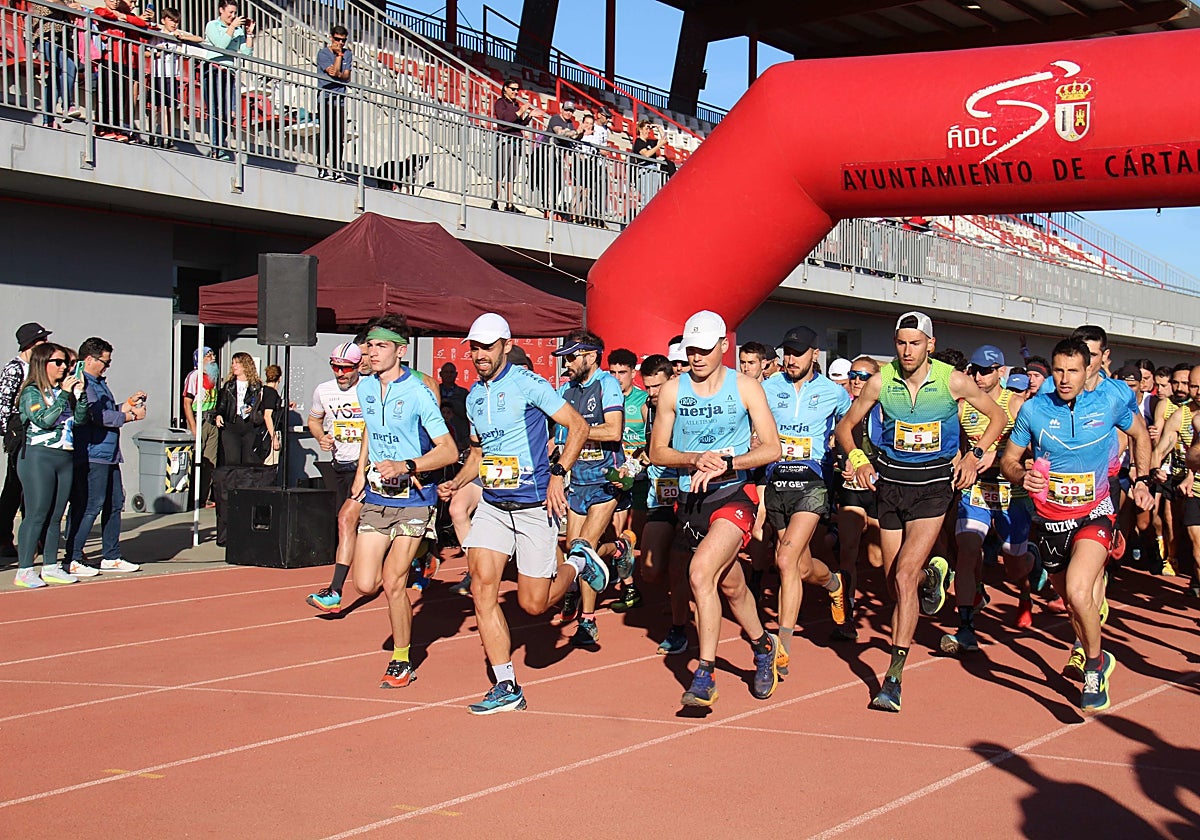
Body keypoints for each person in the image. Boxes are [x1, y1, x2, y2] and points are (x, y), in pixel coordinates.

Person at [835, 311, 1006, 713]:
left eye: (915, 343)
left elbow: (997, 417)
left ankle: (893, 678)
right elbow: (846, 427)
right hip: (891, 486)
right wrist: (859, 459)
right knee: (894, 579)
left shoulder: (952, 380)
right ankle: (934, 572)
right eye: (901, 343)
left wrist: (975, 454)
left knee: (905, 574)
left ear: (930, 344)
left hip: (932, 489)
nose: (907, 350)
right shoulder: (881, 380)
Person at [438, 313, 607, 714]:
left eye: (486, 346)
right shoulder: (474, 397)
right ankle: (506, 684)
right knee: (483, 587)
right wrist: (459, 482)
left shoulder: (528, 383)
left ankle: (580, 561)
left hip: (533, 507)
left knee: (534, 604)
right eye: (474, 347)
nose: (479, 354)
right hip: (495, 506)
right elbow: (479, 454)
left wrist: (559, 474)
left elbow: (578, 426)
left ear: (506, 345)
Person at [1001, 337, 1153, 712]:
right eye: (1059, 370)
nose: (1065, 378)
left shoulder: (1111, 400)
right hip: (1051, 520)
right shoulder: (1033, 410)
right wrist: (1022, 476)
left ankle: (1095, 665)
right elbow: (1009, 459)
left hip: (1096, 511)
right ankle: (1092, 650)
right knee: (1072, 603)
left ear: (1090, 371)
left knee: (1080, 589)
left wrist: (1144, 478)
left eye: (1073, 370)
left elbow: (1139, 433)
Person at [649, 310, 783, 707]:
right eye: (691, 350)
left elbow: (772, 448)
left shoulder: (745, 387)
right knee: (731, 585)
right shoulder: (674, 390)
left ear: (724, 346)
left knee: (700, 572)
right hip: (692, 499)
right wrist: (692, 458)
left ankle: (704, 674)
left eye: (705, 349)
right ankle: (763, 647)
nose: (697, 357)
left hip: (734, 494)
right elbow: (657, 450)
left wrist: (728, 463)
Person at [348, 315, 457, 688]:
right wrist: (361, 470)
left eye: (380, 345)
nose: (371, 352)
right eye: (369, 345)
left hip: (415, 499)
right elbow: (371, 431)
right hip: (378, 497)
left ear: (400, 350)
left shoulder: (418, 392)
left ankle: (401, 660)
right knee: (364, 584)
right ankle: (423, 557)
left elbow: (448, 450)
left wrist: (407, 465)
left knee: (393, 582)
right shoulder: (364, 389)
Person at [761, 326, 853, 668]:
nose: (790, 359)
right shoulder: (768, 388)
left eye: (797, 353)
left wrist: (848, 455)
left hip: (812, 482)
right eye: (786, 352)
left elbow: (850, 425)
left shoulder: (833, 392)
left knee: (784, 560)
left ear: (815, 354)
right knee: (798, 567)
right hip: (776, 480)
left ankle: (781, 647)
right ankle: (832, 582)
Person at [940, 345, 1033, 657]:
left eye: (986, 370)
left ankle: (1025, 588)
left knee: (1013, 565)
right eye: (975, 370)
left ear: (1001, 373)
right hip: (976, 491)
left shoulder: (1017, 404)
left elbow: (1033, 451)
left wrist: (1000, 455)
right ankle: (966, 626)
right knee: (966, 551)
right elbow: (960, 447)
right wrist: (958, 466)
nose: (979, 376)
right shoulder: (964, 406)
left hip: (1013, 494)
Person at [549, 329, 631, 645]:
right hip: (578, 481)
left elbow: (613, 431)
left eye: (571, 357)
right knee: (575, 550)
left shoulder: (607, 384)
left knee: (583, 548)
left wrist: (579, 431)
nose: (566, 364)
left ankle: (588, 620)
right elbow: (559, 441)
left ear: (591, 356)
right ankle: (621, 549)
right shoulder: (565, 391)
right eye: (564, 358)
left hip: (607, 480)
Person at [65, 337, 145, 575]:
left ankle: (111, 555)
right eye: (105, 362)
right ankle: (74, 556)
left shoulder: (99, 383)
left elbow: (107, 412)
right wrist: (130, 416)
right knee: (91, 505)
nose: (107, 366)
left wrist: (127, 405)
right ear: (89, 359)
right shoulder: (82, 384)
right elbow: (95, 416)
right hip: (92, 453)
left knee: (114, 503)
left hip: (109, 453)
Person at [12, 343, 88, 587]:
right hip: (38, 457)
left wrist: (81, 395)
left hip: (63, 456)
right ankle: (24, 569)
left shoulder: (62, 391)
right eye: (58, 362)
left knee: (56, 515)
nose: (64, 367)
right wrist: (64, 395)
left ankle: (51, 565)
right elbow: (44, 420)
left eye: (66, 362)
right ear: (42, 364)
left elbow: (79, 420)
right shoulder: (32, 392)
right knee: (36, 514)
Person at [305, 341, 366, 612]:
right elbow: (314, 420)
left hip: (368, 468)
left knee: (346, 521)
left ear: (357, 367)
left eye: (346, 369)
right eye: (336, 368)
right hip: (340, 466)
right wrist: (321, 437)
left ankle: (335, 590)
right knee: (353, 525)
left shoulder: (369, 389)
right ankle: (419, 556)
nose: (340, 373)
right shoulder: (324, 391)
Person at [1, 322, 52, 557]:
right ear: (30, 344)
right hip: (19, 434)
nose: (46, 345)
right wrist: (9, 434)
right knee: (15, 487)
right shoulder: (15, 369)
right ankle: (4, 537)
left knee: (33, 490)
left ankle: (35, 539)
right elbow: (3, 405)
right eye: (41, 341)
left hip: (39, 433)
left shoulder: (41, 368)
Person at [607, 347, 648, 613]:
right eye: (613, 372)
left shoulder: (643, 400)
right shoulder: (605, 398)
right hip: (615, 475)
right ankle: (628, 586)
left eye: (623, 372)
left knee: (639, 538)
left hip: (641, 475)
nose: (617, 377)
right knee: (618, 533)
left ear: (633, 373)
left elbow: (653, 441)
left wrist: (634, 465)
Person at [201, 0, 254, 160]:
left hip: (229, 73)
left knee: (227, 113)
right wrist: (232, 27)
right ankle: (216, 148)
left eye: (235, 13)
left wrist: (249, 33)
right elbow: (220, 45)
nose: (233, 16)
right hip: (213, 70)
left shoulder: (237, 30)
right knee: (215, 110)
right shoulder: (212, 25)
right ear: (221, 10)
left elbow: (246, 54)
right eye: (230, 12)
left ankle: (220, 145)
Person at [214, 352, 271, 466]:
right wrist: (219, 415)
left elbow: (263, 405)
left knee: (248, 460)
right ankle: (233, 483)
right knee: (232, 460)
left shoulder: (256, 386)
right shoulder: (229, 385)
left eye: (237, 363)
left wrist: (253, 408)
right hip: (232, 424)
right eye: (233, 363)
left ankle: (245, 483)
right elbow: (222, 404)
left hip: (250, 425)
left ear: (246, 365)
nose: (234, 365)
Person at [182, 346, 219, 507]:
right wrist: (193, 426)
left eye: (212, 354)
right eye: (208, 355)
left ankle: (204, 497)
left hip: (212, 420)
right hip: (200, 419)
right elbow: (187, 402)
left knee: (211, 461)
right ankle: (192, 498)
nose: (212, 358)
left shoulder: (213, 376)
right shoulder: (194, 376)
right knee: (196, 460)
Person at [316, 25, 352, 181]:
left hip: (340, 100)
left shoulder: (348, 54)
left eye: (343, 40)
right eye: (337, 39)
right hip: (325, 98)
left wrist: (339, 71)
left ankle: (337, 169)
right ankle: (322, 167)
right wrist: (338, 57)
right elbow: (333, 72)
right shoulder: (323, 53)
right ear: (331, 38)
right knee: (325, 134)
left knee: (339, 137)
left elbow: (346, 76)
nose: (340, 43)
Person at [492, 79, 532, 212]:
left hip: (516, 142)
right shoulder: (500, 103)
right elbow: (505, 120)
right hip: (505, 140)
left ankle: (509, 203)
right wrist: (521, 111)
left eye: (517, 89)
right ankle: (495, 201)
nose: (516, 92)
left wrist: (529, 116)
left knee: (512, 174)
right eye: (513, 89)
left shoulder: (515, 105)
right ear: (505, 89)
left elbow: (519, 124)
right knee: (501, 171)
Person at [437, 362, 469, 448]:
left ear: (456, 374)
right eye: (446, 372)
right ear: (440, 374)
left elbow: (467, 414)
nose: (449, 375)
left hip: (459, 436)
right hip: (438, 435)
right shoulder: (434, 391)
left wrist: (451, 403)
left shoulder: (463, 393)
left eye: (451, 372)